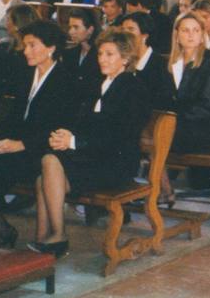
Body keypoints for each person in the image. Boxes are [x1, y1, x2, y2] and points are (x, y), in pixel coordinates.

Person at [33, 28, 152, 257]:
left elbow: (119, 135)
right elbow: (84, 123)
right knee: (44, 174)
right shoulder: (100, 84)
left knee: (49, 162)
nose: (102, 59)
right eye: (100, 54)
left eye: (109, 54)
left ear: (125, 59)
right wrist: (66, 135)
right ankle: (43, 238)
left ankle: (58, 235)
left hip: (116, 164)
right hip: (94, 156)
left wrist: (75, 142)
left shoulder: (134, 89)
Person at [0, 20, 74, 247]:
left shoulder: (66, 79)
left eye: (32, 45)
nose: (26, 51)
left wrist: (20, 144)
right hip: (21, 146)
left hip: (43, 149)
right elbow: (14, 116)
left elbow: (57, 127)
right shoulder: (25, 73)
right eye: (25, 45)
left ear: (51, 47)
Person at [162, 11, 210, 155]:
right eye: (185, 30)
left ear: (202, 35)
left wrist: (175, 119)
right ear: (177, 36)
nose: (191, 35)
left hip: (200, 128)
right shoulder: (170, 64)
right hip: (174, 125)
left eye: (196, 30)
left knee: (159, 138)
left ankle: (161, 173)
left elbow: (209, 104)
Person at [62, 8, 101, 96]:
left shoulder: (101, 56)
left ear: (90, 29)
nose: (70, 32)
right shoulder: (68, 54)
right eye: (70, 27)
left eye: (76, 27)